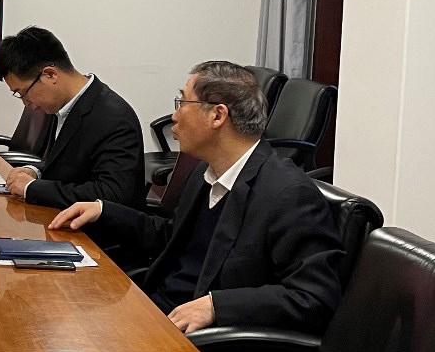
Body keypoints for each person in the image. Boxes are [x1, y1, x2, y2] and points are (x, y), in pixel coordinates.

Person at [50, 61, 343, 334]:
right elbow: (173, 237)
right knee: (61, 313)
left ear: (218, 115)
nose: (174, 116)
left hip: (201, 343)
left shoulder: (288, 194)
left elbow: (314, 297)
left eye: (182, 102)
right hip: (156, 312)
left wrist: (217, 307)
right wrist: (104, 211)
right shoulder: (205, 170)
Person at [0, 26, 145, 209]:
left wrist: (32, 188)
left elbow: (112, 195)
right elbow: (70, 167)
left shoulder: (114, 118)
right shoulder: (62, 105)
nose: (26, 103)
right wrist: (35, 171)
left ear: (50, 75)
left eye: (23, 93)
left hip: (95, 227)